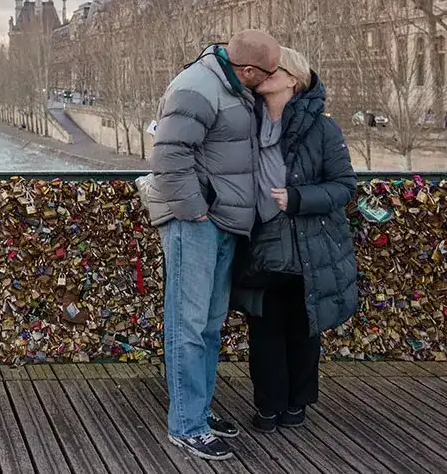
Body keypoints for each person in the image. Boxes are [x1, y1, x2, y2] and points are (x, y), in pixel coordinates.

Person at [146, 29, 282, 461]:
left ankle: (198, 412)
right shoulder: (197, 87)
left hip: (220, 221)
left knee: (207, 325)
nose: (269, 80)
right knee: (188, 325)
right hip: (197, 224)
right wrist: (195, 210)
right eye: (266, 74)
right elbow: (168, 156)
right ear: (247, 70)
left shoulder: (228, 86)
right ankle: (186, 425)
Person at [230, 47, 357, 432]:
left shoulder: (323, 128)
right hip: (261, 246)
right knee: (264, 331)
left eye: (274, 68)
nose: (264, 73)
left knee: (303, 331)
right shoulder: (243, 121)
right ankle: (268, 406)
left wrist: (299, 199)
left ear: (293, 79)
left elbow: (344, 186)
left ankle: (297, 404)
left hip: (307, 244)